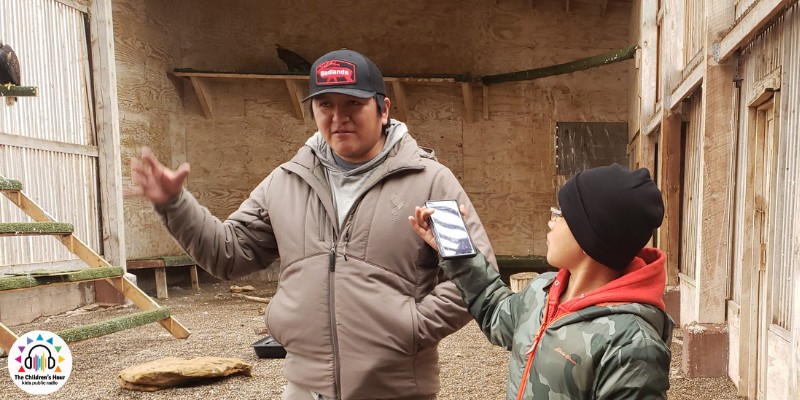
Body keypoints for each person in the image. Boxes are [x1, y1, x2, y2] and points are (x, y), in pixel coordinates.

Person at [127, 49, 497, 400]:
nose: (339, 117)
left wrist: (411, 328)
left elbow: (474, 276)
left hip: (396, 389)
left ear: (383, 109)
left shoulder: (430, 182)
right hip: (304, 388)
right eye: (325, 105)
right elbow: (229, 254)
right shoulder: (286, 182)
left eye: (354, 103)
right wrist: (174, 205)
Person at [408, 164, 674, 400]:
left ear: (590, 237)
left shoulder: (633, 346)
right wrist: (458, 252)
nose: (550, 223)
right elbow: (495, 309)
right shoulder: (542, 290)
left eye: (560, 214)